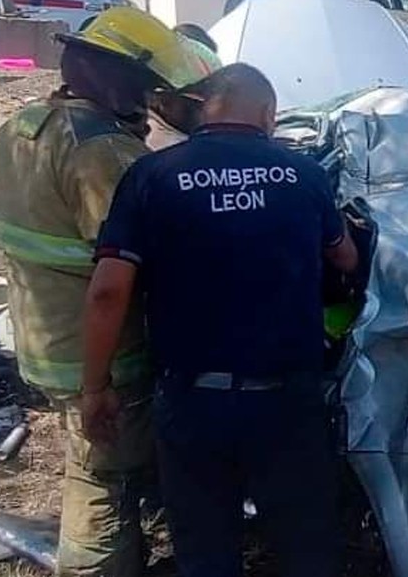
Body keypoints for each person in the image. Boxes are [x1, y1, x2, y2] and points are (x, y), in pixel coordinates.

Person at [80, 63, 360, 577]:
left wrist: (95, 386)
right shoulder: (303, 174)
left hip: (192, 402)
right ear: (269, 114)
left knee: (206, 550)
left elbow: (108, 290)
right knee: (307, 547)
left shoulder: (152, 176)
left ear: (204, 109)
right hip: (287, 402)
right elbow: (345, 259)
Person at [0, 6, 215, 577]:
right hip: (105, 358)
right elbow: (145, 264)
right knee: (102, 478)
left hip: (44, 339)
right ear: (115, 76)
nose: (150, 99)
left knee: (99, 457)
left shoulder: (18, 129)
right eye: (145, 85)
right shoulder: (103, 152)